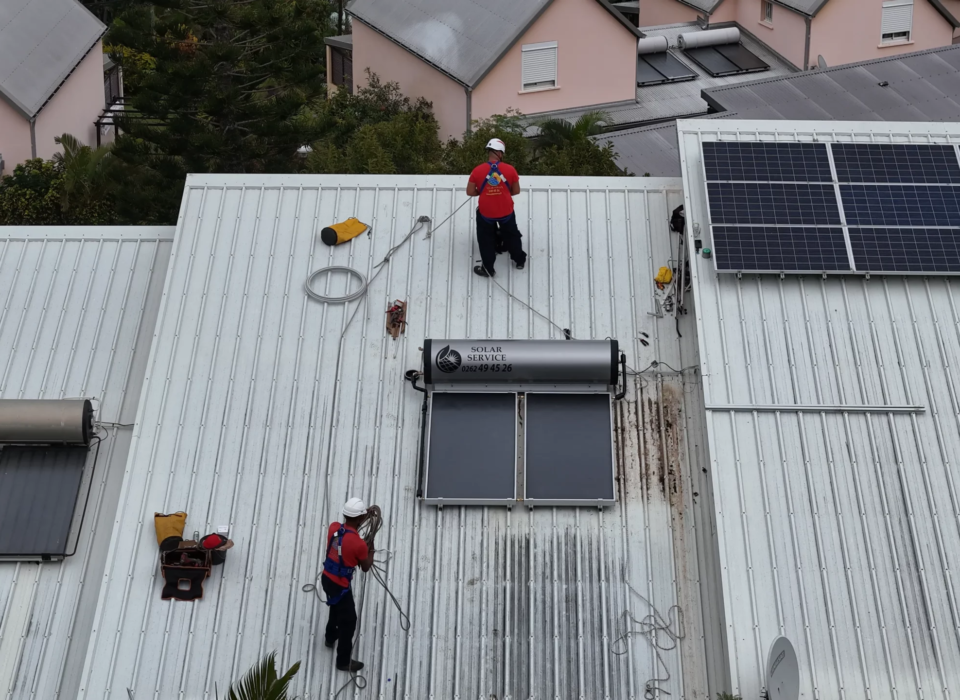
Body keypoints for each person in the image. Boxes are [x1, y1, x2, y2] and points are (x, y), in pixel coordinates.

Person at [322, 497, 375, 672]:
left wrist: (363, 514)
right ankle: (343, 661)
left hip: (327, 579)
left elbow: (350, 530)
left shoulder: (334, 528)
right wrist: (371, 547)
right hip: (341, 584)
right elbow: (366, 566)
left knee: (335, 606)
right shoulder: (359, 545)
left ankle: (330, 637)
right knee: (349, 621)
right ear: (360, 519)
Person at [467, 137, 527, 277]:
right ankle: (519, 260)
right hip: (506, 212)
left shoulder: (477, 170)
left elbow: (470, 192)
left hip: (486, 213)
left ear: (490, 151)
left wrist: (483, 191)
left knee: (485, 240)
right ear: (500, 153)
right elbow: (516, 190)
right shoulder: (510, 169)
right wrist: (503, 192)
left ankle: (488, 269)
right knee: (512, 236)